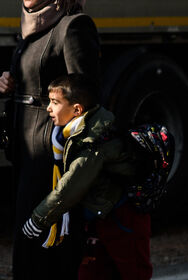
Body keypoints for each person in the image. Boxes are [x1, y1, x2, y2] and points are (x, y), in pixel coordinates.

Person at [0, 0, 101, 279]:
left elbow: (87, 91)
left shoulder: (73, 27)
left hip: (52, 154)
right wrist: (9, 82)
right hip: (27, 147)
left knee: (48, 241)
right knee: (28, 237)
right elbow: (34, 75)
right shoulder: (32, 25)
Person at [22, 74, 152, 280]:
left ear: (77, 110)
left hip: (123, 219)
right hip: (100, 218)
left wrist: (39, 219)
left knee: (133, 273)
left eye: (55, 103)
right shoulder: (79, 130)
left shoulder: (93, 142)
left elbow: (71, 186)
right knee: (91, 274)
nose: (48, 108)